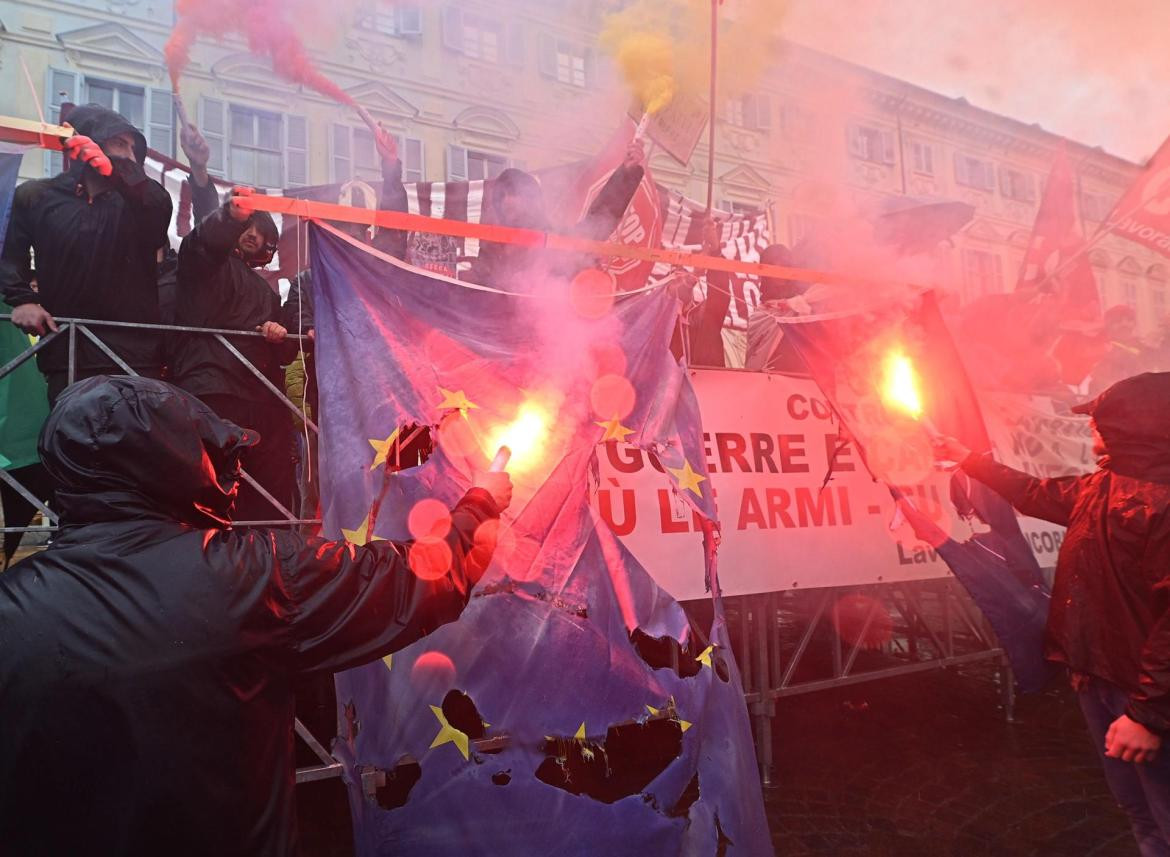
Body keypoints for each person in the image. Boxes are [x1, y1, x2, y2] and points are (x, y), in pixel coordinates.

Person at [0, 375, 512, 856]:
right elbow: (417, 579)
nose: (234, 471)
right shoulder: (252, 576)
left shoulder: (12, 605)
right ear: (174, 464)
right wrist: (482, 503)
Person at [933, 371, 1170, 856]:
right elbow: (1035, 493)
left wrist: (1147, 715)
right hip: (1098, 679)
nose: (1092, 431)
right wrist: (968, 459)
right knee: (1139, 814)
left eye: (1101, 423)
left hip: (1146, 699)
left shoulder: (1162, 504)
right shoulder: (1104, 486)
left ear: (1138, 427)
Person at [0, 104, 172, 405]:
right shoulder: (36, 196)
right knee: (70, 444)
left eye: (134, 149)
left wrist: (117, 174)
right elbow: (10, 255)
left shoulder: (143, 202)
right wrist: (23, 299)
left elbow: (157, 214)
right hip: (65, 352)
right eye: (120, 143)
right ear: (89, 141)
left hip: (134, 356)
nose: (130, 155)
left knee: (133, 447)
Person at [171, 183, 299, 522]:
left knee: (263, 493)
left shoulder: (266, 291)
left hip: (260, 397)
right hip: (213, 389)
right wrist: (226, 212)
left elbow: (285, 352)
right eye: (249, 227)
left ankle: (263, 554)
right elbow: (204, 243)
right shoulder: (206, 265)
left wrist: (279, 335)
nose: (254, 238)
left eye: (264, 237)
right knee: (211, 486)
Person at [462, 140, 646, 291]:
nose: (508, 200)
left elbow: (598, 221)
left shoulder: (556, 241)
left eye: (514, 192)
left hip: (552, 332)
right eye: (502, 195)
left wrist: (626, 175)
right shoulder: (489, 255)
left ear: (532, 200)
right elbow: (472, 300)